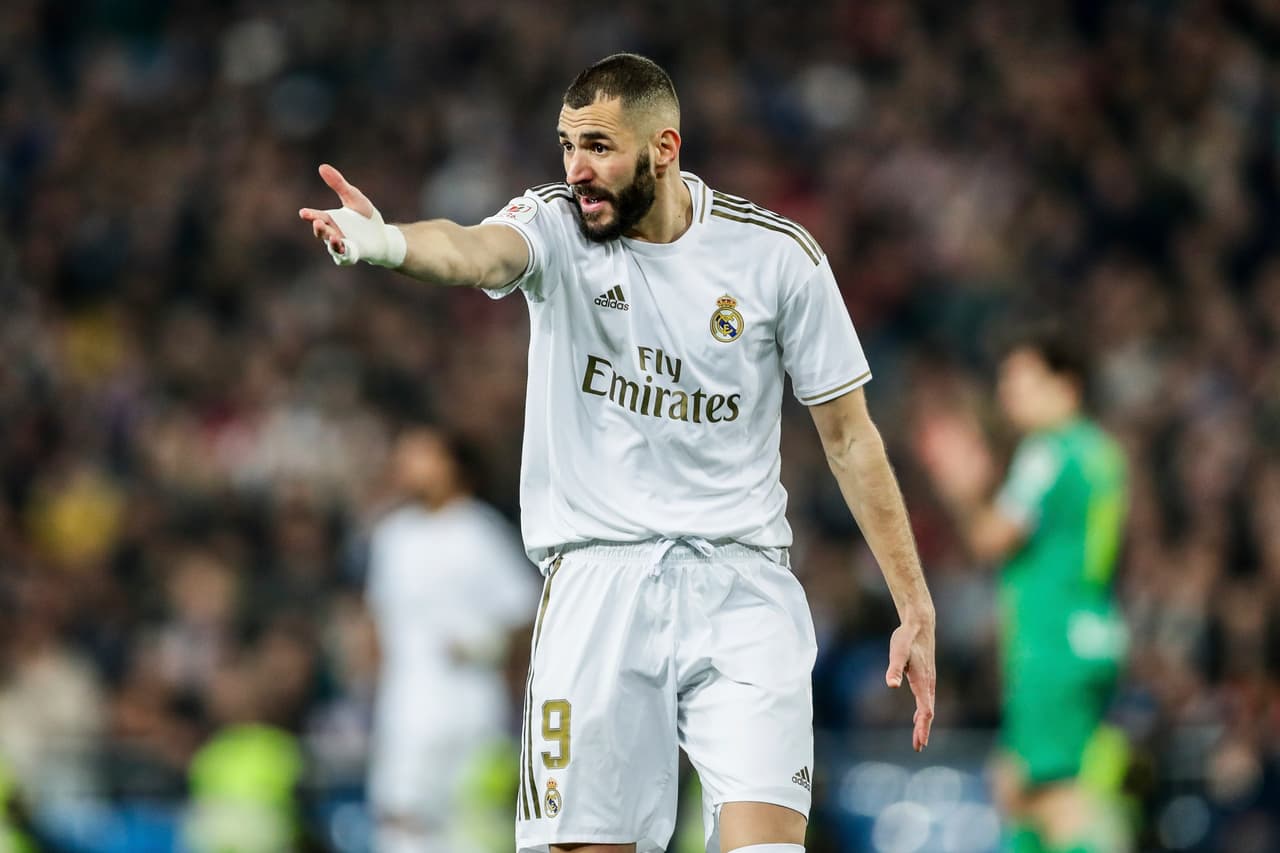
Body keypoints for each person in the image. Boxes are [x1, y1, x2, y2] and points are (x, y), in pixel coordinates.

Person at [301, 52, 935, 853]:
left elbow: (850, 436)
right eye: (567, 145)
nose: (577, 169)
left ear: (664, 148)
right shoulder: (557, 226)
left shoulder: (777, 258)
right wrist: (388, 241)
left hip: (742, 586)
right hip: (598, 585)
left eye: (598, 146)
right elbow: (475, 249)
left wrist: (913, 602)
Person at [919, 332, 1129, 853]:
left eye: (1024, 379)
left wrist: (962, 488)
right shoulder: (1102, 454)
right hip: (1090, 631)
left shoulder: (1048, 452)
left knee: (1054, 796)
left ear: (1067, 386)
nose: (1009, 392)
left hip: (1051, 643)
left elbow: (994, 538)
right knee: (1013, 782)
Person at [365, 426, 539, 853]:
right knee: (400, 815)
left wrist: (489, 645)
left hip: (470, 703)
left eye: (422, 455)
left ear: (453, 465)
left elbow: (527, 612)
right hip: (406, 701)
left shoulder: (481, 532)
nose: (408, 466)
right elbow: (378, 619)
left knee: (470, 822)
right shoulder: (392, 536)